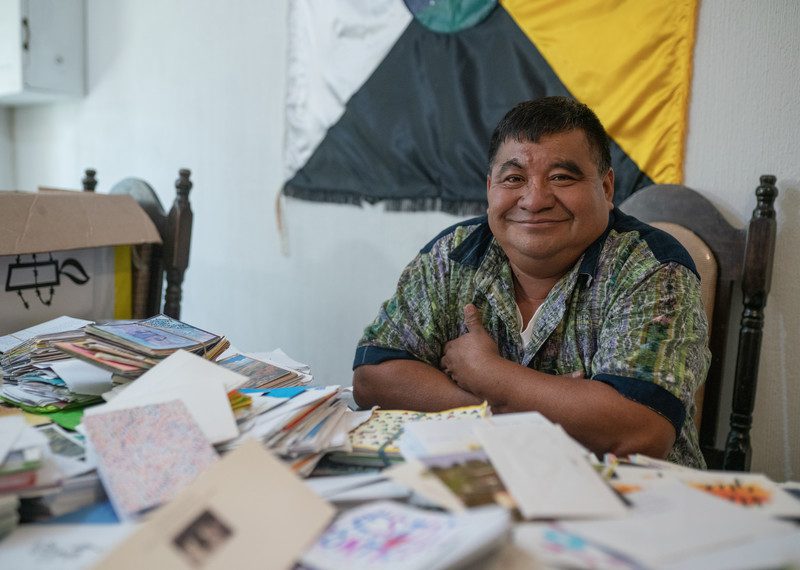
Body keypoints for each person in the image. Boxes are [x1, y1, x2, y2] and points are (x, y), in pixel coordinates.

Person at [352, 96, 710, 468]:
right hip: (477, 486)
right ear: (491, 187)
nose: (535, 200)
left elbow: (640, 431)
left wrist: (489, 375)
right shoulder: (455, 253)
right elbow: (375, 377)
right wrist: (511, 409)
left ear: (605, 188)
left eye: (561, 177)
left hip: (636, 505)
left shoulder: (653, 267)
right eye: (514, 179)